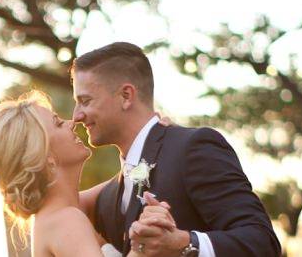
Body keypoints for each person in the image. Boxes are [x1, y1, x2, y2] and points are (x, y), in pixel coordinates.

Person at [73, 42, 281, 256]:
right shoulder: (107, 197)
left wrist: (184, 243)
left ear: (126, 96)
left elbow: (262, 242)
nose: (76, 116)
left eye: (85, 101)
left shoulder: (192, 147)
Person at [0, 91, 173, 256]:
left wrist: (149, 140)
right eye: (58, 123)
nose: (71, 123)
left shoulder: (63, 210)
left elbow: (126, 178)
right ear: (45, 157)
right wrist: (142, 246)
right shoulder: (66, 220)